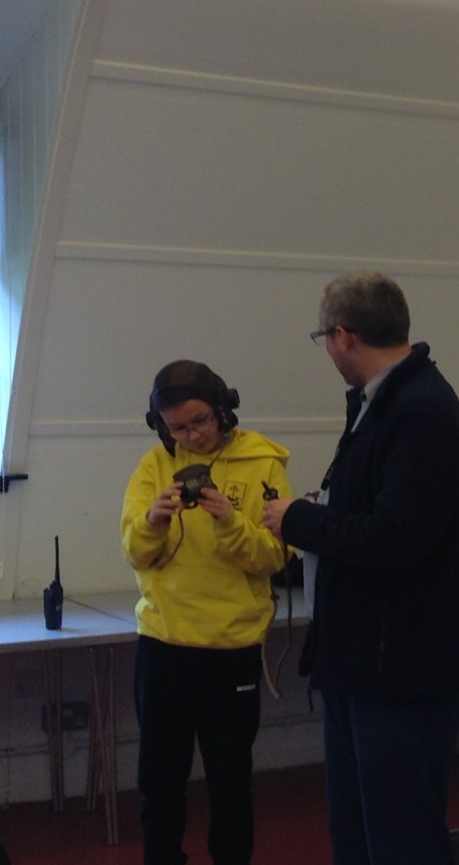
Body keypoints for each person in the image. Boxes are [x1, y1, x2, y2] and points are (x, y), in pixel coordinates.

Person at [262, 272, 459, 865]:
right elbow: (375, 511)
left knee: (400, 836)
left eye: (323, 339)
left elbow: (397, 539)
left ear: (343, 335)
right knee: (357, 829)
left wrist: (298, 521)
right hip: (362, 657)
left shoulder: (421, 410)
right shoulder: (381, 402)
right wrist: (322, 510)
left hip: (403, 665)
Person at [121, 360, 292, 865]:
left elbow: (275, 556)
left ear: (223, 409)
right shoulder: (153, 466)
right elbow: (135, 552)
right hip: (163, 644)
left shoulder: (262, 463)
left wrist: (230, 523)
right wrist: (153, 521)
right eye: (177, 428)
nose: (192, 435)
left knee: (230, 783)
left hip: (230, 648)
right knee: (159, 782)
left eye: (200, 421)